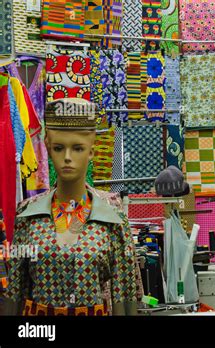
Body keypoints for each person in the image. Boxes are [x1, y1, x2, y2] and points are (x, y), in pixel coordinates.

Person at [4, 98, 140, 316]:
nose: (67, 158)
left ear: (92, 152)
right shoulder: (27, 216)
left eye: (78, 148)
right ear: (48, 147)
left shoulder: (113, 219)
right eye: (59, 148)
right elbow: (15, 293)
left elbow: (125, 295)